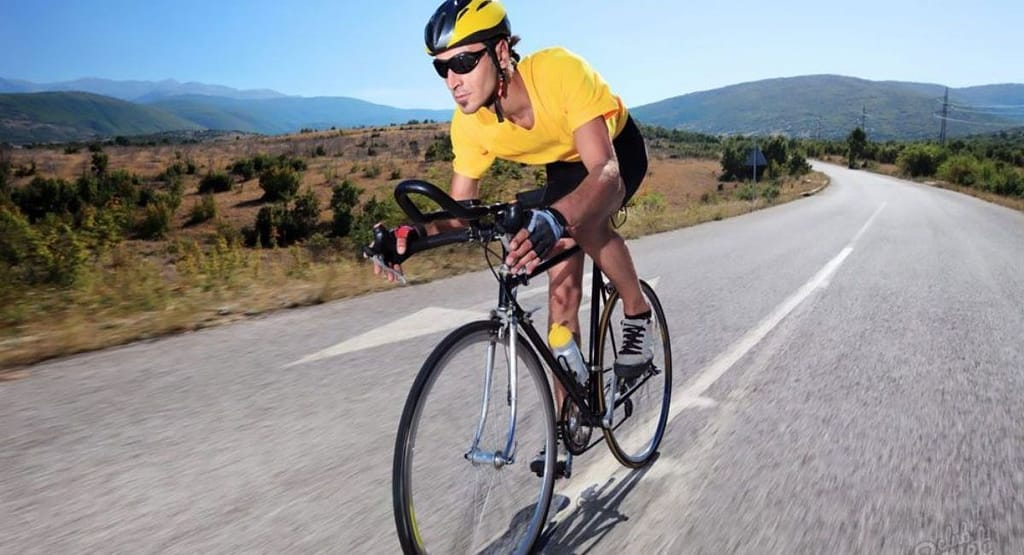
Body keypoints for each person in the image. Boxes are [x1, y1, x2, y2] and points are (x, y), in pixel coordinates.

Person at [371, 0, 653, 475]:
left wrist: (556, 219)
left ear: (501, 51)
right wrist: (410, 236)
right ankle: (566, 424)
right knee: (561, 293)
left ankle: (637, 313)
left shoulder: (559, 71)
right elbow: (458, 213)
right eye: (442, 67)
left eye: (464, 61)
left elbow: (606, 175)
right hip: (563, 167)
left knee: (583, 226)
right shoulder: (470, 123)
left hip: (612, 150)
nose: (453, 80)